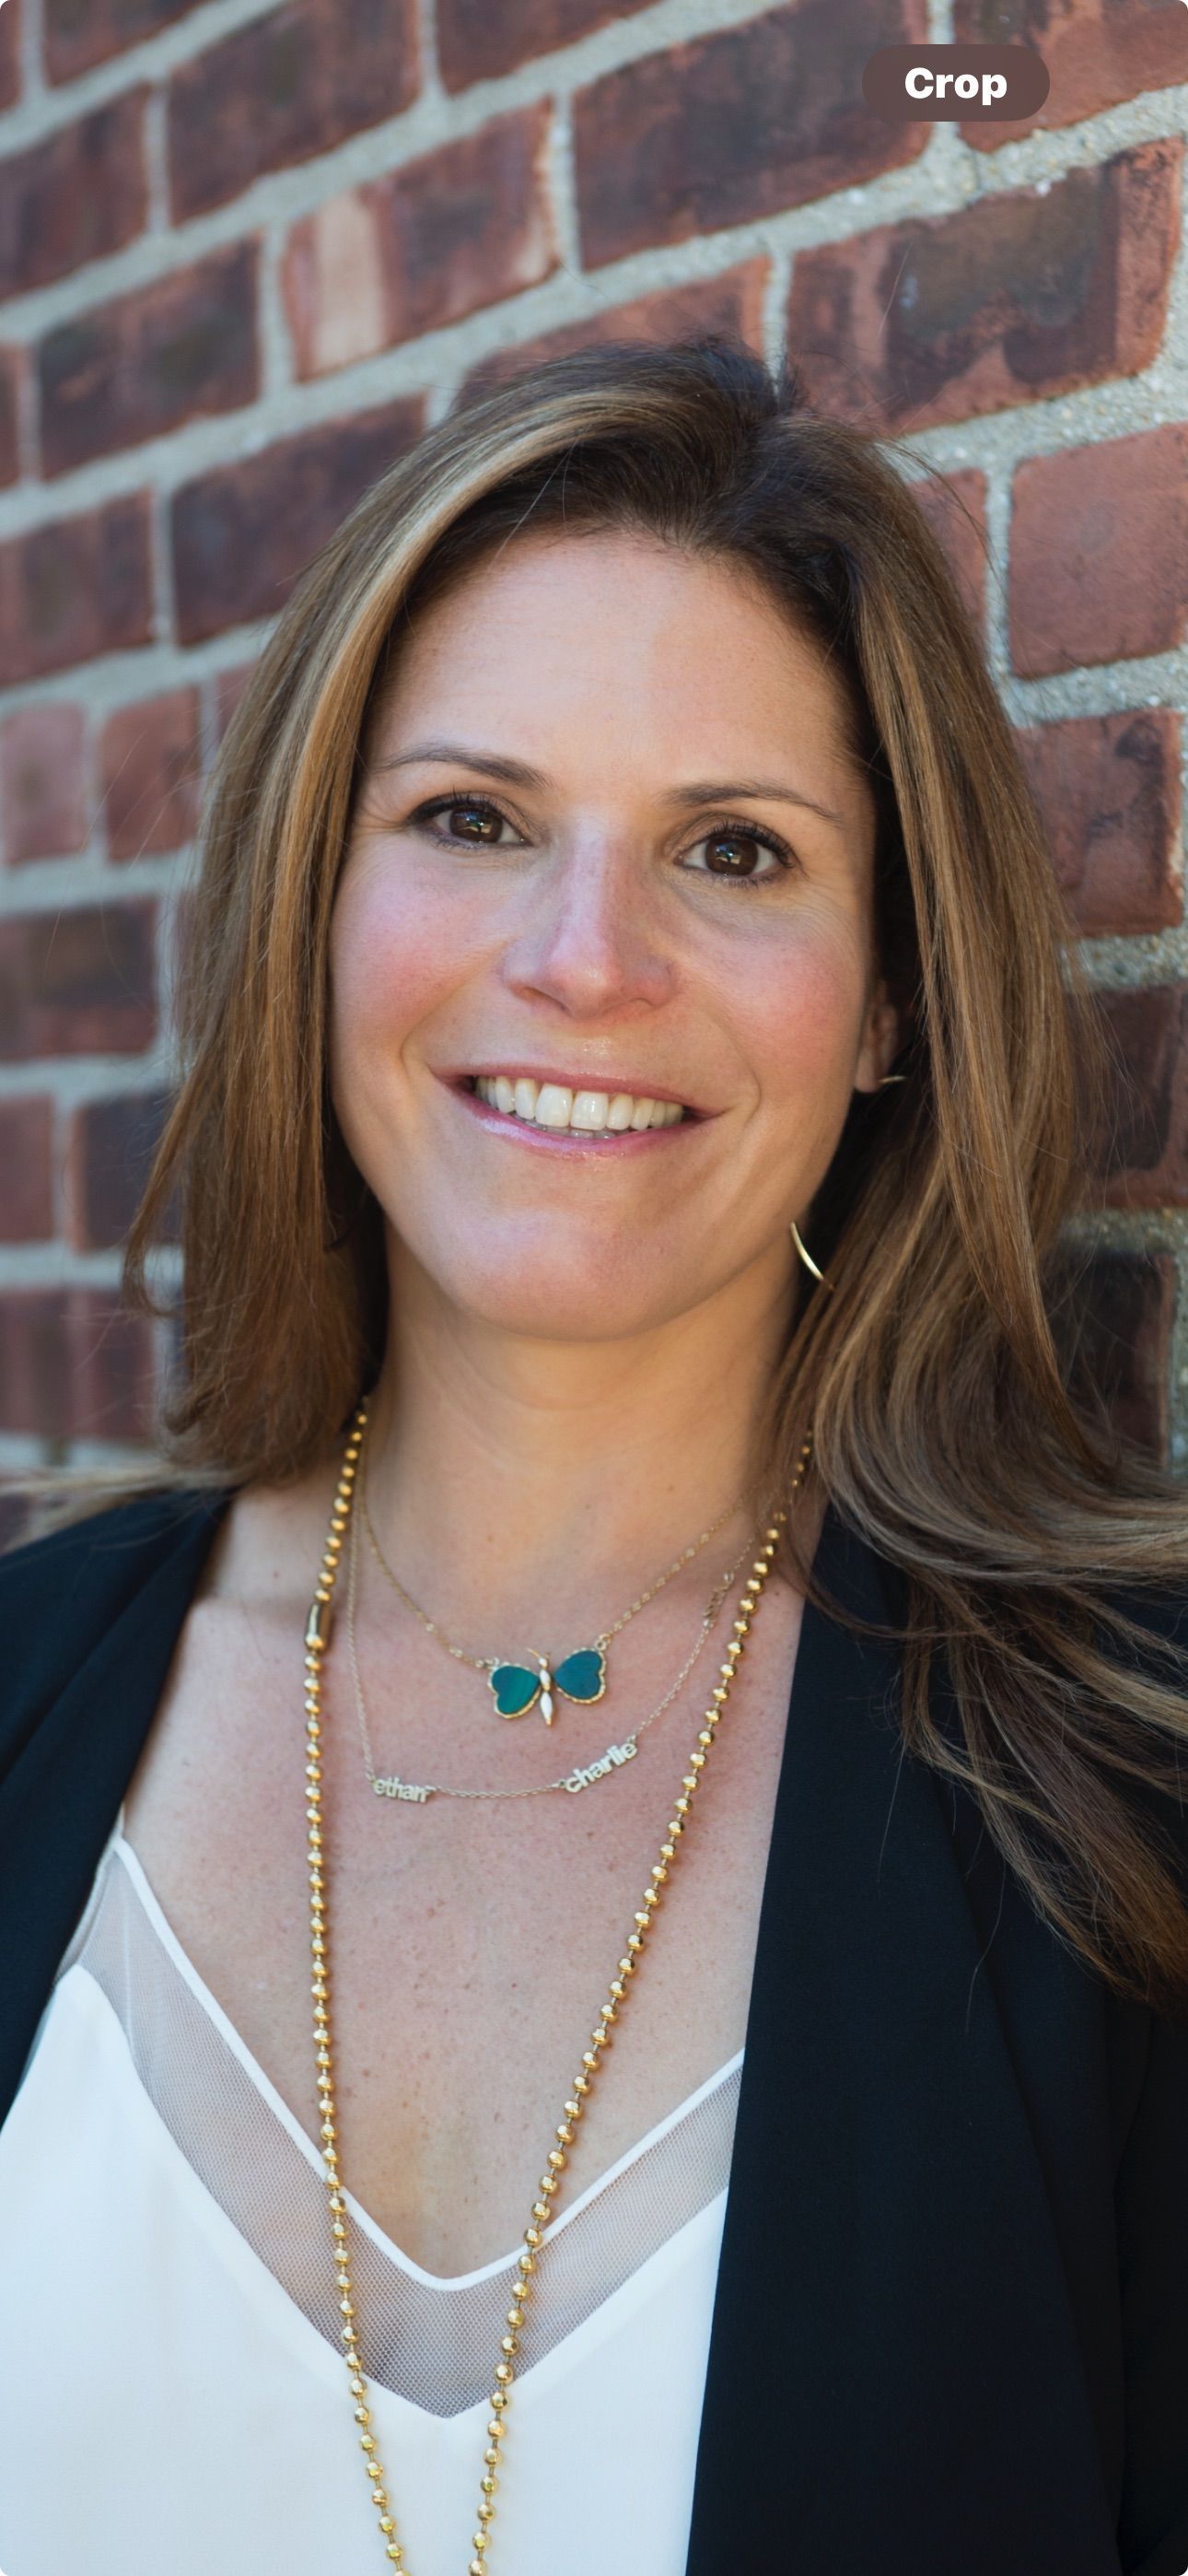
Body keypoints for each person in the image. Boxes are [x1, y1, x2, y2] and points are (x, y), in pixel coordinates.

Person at [0, 337, 1185, 2576]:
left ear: (895, 999)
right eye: (473, 820)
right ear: (317, 914)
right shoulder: (26, 1689)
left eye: (733, 851)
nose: (583, 961)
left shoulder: (1131, 1787)